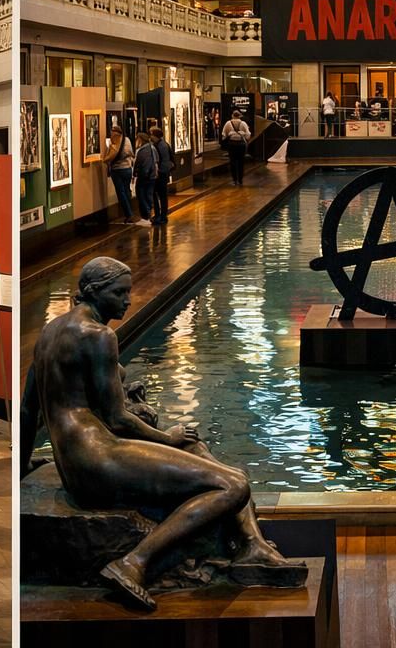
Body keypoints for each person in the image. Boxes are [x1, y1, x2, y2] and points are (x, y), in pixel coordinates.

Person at [20, 258, 300, 610]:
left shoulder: (49, 332)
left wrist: (23, 462)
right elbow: (117, 418)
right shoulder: (99, 335)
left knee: (197, 447)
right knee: (233, 485)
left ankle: (252, 547)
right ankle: (132, 563)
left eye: (128, 292)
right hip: (98, 460)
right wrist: (167, 437)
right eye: (119, 292)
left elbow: (28, 409)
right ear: (94, 292)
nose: (127, 300)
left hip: (75, 461)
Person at [105, 123, 137, 224]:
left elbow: (110, 157)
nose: (111, 136)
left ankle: (129, 214)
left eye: (112, 133)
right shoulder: (127, 140)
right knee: (127, 190)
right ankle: (130, 211)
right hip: (128, 169)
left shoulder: (114, 142)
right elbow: (130, 152)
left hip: (118, 170)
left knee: (121, 192)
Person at [133, 128, 158, 227]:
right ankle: (149, 215)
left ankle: (145, 216)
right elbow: (157, 160)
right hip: (152, 176)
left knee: (142, 195)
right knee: (148, 195)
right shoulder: (152, 148)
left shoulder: (143, 151)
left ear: (141, 140)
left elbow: (140, 163)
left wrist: (137, 173)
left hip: (144, 176)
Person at [220, 109, 251, 186]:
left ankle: (234, 180)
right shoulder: (243, 123)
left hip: (232, 144)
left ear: (232, 115)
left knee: (232, 162)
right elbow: (248, 135)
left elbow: (224, 135)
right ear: (240, 116)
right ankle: (240, 179)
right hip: (241, 145)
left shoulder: (228, 123)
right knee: (241, 162)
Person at [151, 126, 173, 226]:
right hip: (164, 172)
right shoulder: (165, 144)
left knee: (157, 195)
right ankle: (162, 216)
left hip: (160, 174)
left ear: (155, 136)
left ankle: (160, 216)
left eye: (151, 134)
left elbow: (158, 161)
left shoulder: (158, 146)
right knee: (163, 195)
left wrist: (156, 171)